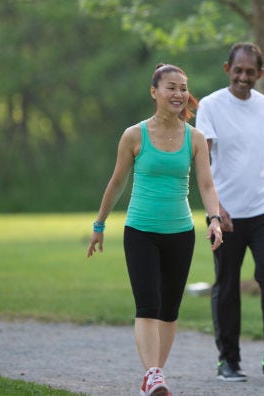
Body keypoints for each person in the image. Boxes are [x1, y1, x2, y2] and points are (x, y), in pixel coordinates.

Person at [87, 63, 223, 396]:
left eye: (183, 88)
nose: (178, 94)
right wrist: (99, 224)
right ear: (154, 92)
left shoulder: (195, 137)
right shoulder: (134, 135)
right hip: (141, 231)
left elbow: (206, 184)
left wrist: (215, 218)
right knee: (148, 304)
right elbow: (117, 182)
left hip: (180, 233)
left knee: (169, 310)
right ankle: (153, 375)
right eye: (171, 87)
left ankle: (154, 374)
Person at [195, 42, 264, 382]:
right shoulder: (210, 105)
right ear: (228, 69)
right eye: (237, 70)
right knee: (226, 283)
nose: (243, 77)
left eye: (250, 72)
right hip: (225, 213)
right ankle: (228, 359)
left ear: (260, 74)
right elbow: (203, 163)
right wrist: (215, 209)